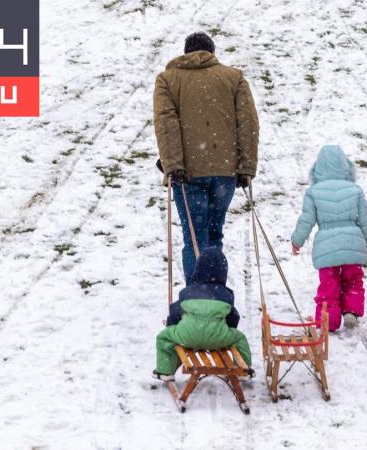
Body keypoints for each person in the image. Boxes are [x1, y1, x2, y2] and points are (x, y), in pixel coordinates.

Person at [153, 31, 259, 285]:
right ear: (212, 53)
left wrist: (173, 164)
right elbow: (248, 123)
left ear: (186, 52)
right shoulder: (233, 78)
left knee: (194, 237)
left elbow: (166, 123)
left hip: (187, 173)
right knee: (214, 234)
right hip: (225, 172)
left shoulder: (168, 80)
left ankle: (196, 299)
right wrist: (246, 167)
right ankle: (216, 295)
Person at [291, 145, 367, 332]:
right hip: (353, 242)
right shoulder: (355, 190)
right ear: (346, 167)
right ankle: (351, 310)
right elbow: (364, 219)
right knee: (353, 280)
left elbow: (307, 219)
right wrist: (363, 240)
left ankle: (329, 321)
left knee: (329, 284)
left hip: (326, 248)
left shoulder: (314, 192)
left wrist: (297, 240)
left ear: (318, 168)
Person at [154, 247, 252, 381]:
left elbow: (175, 312)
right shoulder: (226, 295)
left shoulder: (187, 292)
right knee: (240, 338)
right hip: (218, 337)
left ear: (197, 270)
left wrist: (172, 325)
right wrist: (227, 330)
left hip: (188, 336)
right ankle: (243, 370)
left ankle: (165, 371)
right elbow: (233, 317)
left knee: (163, 337)